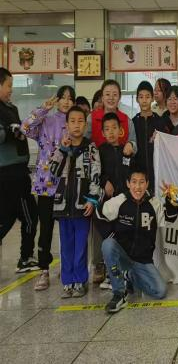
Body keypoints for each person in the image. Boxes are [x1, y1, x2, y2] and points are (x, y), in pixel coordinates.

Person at [99, 169, 178, 313]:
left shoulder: (153, 203)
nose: (138, 187)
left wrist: (171, 199)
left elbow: (169, 219)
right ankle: (119, 294)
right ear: (128, 184)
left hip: (143, 260)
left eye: (142, 182)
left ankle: (129, 276)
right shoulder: (120, 200)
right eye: (134, 182)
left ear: (147, 184)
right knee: (108, 244)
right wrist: (110, 233)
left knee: (160, 291)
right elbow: (99, 214)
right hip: (122, 256)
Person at [21, 86, 75, 290]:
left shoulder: (75, 122)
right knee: (45, 228)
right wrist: (43, 108)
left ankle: (67, 266)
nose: (66, 101)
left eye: (70, 98)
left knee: (67, 228)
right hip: (46, 184)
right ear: (57, 100)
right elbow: (25, 128)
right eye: (63, 97)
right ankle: (44, 269)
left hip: (67, 183)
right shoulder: (46, 120)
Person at [86, 79, 136, 285]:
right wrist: (103, 181)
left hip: (122, 189)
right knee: (100, 226)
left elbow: (133, 145)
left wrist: (130, 145)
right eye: (107, 93)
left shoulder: (126, 119)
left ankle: (121, 265)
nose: (111, 97)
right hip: (101, 185)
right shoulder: (92, 118)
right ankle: (99, 264)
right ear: (102, 95)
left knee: (121, 225)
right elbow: (87, 146)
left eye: (115, 94)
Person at [49, 106, 101, 298]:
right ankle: (67, 281)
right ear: (66, 125)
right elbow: (53, 171)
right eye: (73, 121)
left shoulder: (91, 148)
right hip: (63, 206)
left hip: (82, 206)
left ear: (85, 124)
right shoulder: (61, 147)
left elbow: (96, 175)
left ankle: (80, 280)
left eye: (80, 121)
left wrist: (93, 200)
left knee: (81, 246)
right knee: (66, 246)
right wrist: (62, 150)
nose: (76, 125)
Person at [0, 68, 38, 274]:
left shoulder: (11, 108)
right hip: (9, 173)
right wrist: (10, 131)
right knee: (27, 215)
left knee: (12, 216)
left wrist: (21, 131)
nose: (11, 90)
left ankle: (26, 257)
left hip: (19, 170)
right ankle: (25, 257)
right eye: (8, 86)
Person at [96, 112, 133, 290]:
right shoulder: (100, 151)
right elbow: (96, 172)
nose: (111, 132)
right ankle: (111, 275)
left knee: (124, 236)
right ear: (103, 133)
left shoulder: (127, 150)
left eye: (114, 128)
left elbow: (133, 173)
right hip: (108, 201)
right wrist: (105, 182)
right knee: (109, 237)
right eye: (107, 129)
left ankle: (126, 273)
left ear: (121, 130)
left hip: (124, 201)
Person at [132, 81, 167, 194]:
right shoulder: (133, 122)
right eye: (141, 97)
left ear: (152, 98)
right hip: (139, 174)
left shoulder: (160, 121)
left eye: (147, 97)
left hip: (157, 171)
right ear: (137, 99)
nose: (144, 100)